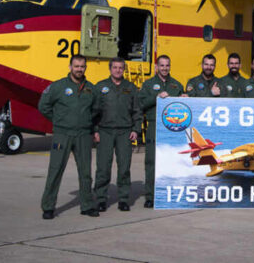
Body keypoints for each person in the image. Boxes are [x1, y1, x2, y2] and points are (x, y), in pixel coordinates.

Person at [38, 54, 99, 219]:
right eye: (76, 66)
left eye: (82, 66)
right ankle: (48, 207)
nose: (79, 69)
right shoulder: (57, 87)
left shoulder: (91, 89)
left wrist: (90, 126)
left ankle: (87, 205)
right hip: (62, 134)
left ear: (85, 68)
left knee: (85, 172)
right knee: (55, 170)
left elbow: (96, 110)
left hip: (83, 136)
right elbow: (43, 106)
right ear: (70, 67)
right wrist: (58, 121)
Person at [92, 58, 142, 212]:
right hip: (105, 131)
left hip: (125, 132)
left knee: (124, 167)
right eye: (115, 67)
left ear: (124, 69)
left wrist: (136, 129)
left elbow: (137, 110)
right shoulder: (101, 87)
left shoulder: (131, 88)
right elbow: (94, 111)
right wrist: (94, 130)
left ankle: (124, 199)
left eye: (121, 68)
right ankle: (100, 199)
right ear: (110, 69)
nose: (118, 70)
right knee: (103, 167)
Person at [138, 55, 185, 208]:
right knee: (152, 162)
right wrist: (155, 97)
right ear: (156, 67)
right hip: (154, 126)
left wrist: (185, 99)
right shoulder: (148, 84)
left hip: (173, 129)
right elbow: (141, 104)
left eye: (167, 65)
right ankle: (150, 196)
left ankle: (169, 193)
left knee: (173, 161)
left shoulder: (176, 85)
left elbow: (184, 108)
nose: (165, 68)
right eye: (162, 65)